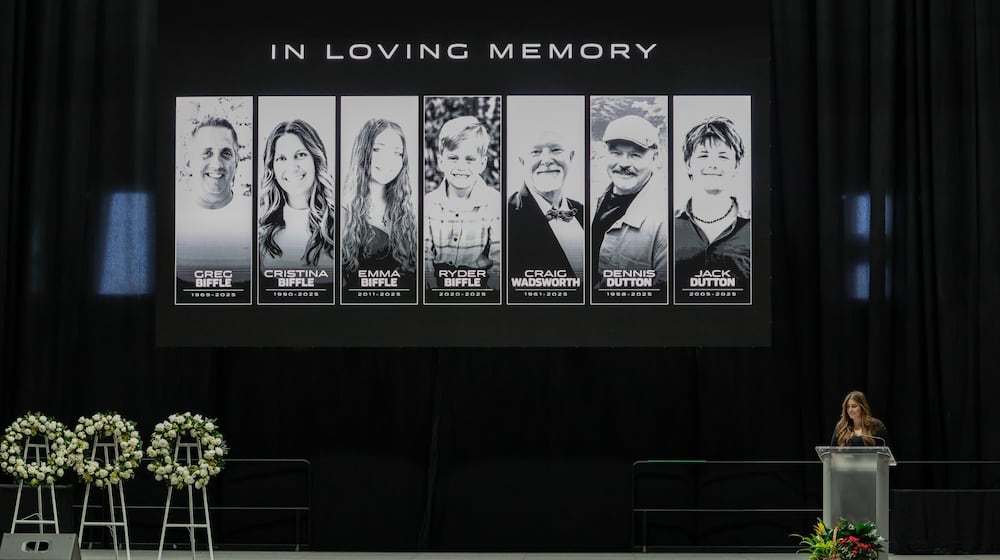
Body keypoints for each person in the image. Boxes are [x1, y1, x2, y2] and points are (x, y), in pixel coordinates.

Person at [592, 115, 669, 289]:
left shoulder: (665, 222)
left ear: (655, 158)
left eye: (635, 155)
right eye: (616, 153)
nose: (623, 163)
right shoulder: (591, 201)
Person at [424, 115, 501, 289]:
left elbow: (500, 260)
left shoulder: (494, 203)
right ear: (441, 161)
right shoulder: (429, 204)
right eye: (453, 158)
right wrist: (432, 289)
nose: (461, 166)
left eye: (470, 159)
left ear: (482, 163)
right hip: (437, 284)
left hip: (480, 285)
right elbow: (424, 255)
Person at [674, 116, 751, 288]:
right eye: (703, 155)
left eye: (723, 157)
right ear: (688, 164)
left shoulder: (758, 226)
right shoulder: (665, 227)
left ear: (736, 166)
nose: (713, 164)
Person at [341, 118, 418, 280]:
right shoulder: (341, 213)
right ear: (363, 152)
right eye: (377, 149)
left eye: (397, 152)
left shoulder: (410, 212)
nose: (388, 159)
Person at [258, 119, 336, 268]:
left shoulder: (347, 224)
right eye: (281, 158)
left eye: (300, 155)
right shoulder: (260, 231)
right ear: (272, 168)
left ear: (316, 160)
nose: (292, 167)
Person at [507, 128, 584, 279]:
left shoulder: (584, 212)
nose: (547, 160)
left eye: (556, 150)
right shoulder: (504, 218)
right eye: (535, 152)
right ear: (522, 161)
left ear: (571, 157)